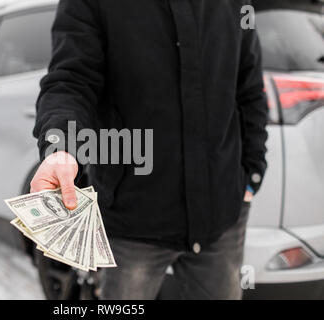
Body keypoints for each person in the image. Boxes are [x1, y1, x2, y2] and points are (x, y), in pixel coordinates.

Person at [31, 0, 268, 300]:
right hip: (134, 220)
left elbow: (249, 87)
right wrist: (62, 147)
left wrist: (253, 169)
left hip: (221, 214)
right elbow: (71, 80)